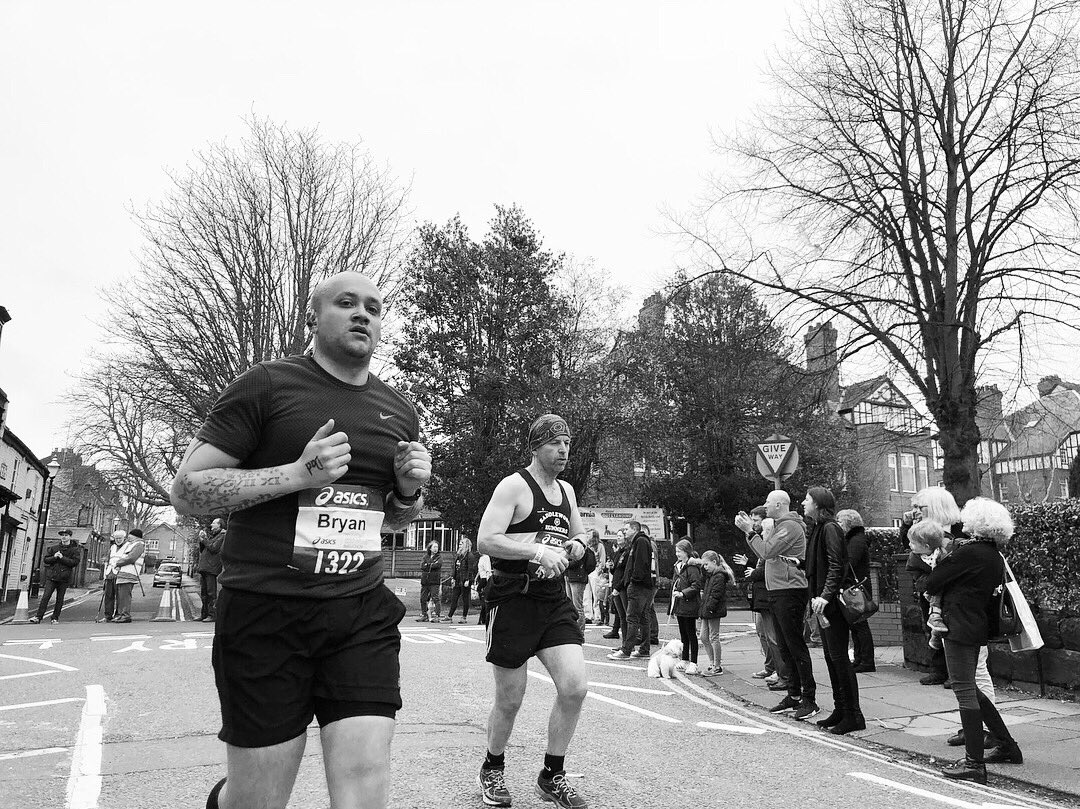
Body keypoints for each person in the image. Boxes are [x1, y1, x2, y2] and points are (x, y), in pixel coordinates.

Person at [170, 271, 431, 809]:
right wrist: (297, 474)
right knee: (258, 799)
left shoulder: (401, 412)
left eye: (375, 308)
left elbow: (394, 520)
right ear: (313, 317)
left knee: (364, 784)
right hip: (267, 612)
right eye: (346, 302)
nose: (363, 313)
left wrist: (407, 492)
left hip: (360, 612)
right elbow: (187, 490)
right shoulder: (267, 385)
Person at [476, 413, 589, 809]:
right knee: (510, 699)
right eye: (555, 443)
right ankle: (493, 767)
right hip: (512, 599)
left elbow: (578, 534)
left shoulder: (567, 492)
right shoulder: (513, 486)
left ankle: (551, 774)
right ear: (535, 447)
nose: (563, 450)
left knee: (575, 687)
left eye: (568, 444)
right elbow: (486, 540)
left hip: (552, 600)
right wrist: (535, 550)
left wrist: (578, 546)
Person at [928, 497, 1024, 783]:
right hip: (976, 626)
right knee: (972, 689)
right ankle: (1007, 746)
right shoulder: (993, 554)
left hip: (958, 626)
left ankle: (974, 763)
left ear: (976, 522)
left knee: (963, 689)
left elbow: (932, 583)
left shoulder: (968, 553)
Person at [738, 490, 816, 720]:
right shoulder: (780, 525)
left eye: (768, 502)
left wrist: (749, 532)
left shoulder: (790, 526)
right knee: (784, 647)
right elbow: (766, 554)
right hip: (778, 589)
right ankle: (793, 695)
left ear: (779, 505)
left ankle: (809, 699)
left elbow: (766, 550)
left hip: (790, 590)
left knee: (795, 646)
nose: (765, 505)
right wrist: (756, 534)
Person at [804, 488, 864, 733]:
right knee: (831, 658)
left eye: (807, 500)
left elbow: (836, 566)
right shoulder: (819, 527)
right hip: (823, 602)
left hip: (831, 605)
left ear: (818, 504)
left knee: (839, 659)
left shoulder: (830, 528)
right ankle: (841, 710)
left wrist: (825, 597)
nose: (803, 503)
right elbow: (820, 563)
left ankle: (854, 715)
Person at [608, 520, 656, 661]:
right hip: (642, 586)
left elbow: (641, 564)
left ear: (634, 529)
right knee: (643, 618)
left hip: (639, 586)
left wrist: (633, 581)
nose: (624, 532)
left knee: (632, 618)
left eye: (627, 529)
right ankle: (644, 649)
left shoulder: (640, 542)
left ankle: (626, 650)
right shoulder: (639, 542)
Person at [836, 509, 875, 673]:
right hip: (856, 587)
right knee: (856, 625)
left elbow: (849, 562)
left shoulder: (856, 540)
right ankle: (860, 659)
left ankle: (866, 660)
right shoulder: (856, 539)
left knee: (859, 625)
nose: (837, 525)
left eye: (839, 521)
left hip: (856, 589)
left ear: (847, 523)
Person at [29, 530, 80, 624]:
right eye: (62, 535)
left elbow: (74, 563)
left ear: (70, 536)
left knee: (59, 599)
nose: (64, 537)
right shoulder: (54, 548)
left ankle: (55, 618)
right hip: (51, 577)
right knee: (45, 597)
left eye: (66, 535)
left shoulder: (74, 550)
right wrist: (54, 557)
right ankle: (38, 617)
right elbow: (46, 560)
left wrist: (62, 558)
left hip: (64, 578)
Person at [670, 538, 703, 674]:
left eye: (680, 551)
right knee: (683, 634)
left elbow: (696, 585)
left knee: (691, 634)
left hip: (689, 604)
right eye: (676, 551)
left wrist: (683, 594)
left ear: (687, 552)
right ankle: (684, 659)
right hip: (680, 605)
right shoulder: (678, 566)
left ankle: (694, 662)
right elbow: (674, 585)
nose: (677, 554)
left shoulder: (692, 567)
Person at [697, 550, 730, 676]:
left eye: (706, 564)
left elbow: (715, 595)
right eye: (703, 565)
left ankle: (717, 666)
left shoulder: (719, 576)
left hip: (713, 611)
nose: (705, 567)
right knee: (703, 637)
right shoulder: (710, 575)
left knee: (714, 637)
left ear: (714, 562)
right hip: (707, 610)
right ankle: (712, 663)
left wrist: (709, 608)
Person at [105, 529, 145, 624]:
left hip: (129, 573)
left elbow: (131, 558)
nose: (129, 537)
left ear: (135, 536)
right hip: (123, 573)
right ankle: (120, 615)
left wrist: (118, 563)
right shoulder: (133, 545)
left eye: (130, 535)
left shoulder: (139, 544)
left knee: (124, 596)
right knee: (122, 596)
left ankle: (125, 615)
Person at [564, 531, 597, 634]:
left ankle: (580, 631)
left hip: (577, 577)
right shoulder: (573, 546)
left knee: (577, 606)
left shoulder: (581, 548)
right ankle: (572, 629)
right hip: (570, 576)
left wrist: (565, 562)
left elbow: (576, 562)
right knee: (570, 605)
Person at [197, 519, 227, 622]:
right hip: (205, 567)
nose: (211, 525)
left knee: (211, 593)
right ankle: (204, 614)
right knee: (204, 593)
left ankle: (212, 614)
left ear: (220, 525)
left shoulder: (222, 536)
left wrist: (204, 539)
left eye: (214, 523)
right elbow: (203, 550)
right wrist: (202, 540)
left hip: (212, 567)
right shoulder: (213, 536)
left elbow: (214, 548)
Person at [445, 537, 479, 624]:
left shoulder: (469, 555)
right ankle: (449, 616)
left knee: (465, 598)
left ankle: (464, 617)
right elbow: (456, 568)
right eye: (459, 543)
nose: (460, 545)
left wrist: (468, 579)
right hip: (458, 579)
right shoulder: (459, 555)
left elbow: (471, 569)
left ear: (466, 545)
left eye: (462, 543)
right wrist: (453, 577)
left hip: (465, 580)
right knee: (454, 598)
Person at [603, 530, 629, 641]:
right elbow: (616, 570)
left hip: (622, 586)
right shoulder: (619, 552)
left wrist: (618, 587)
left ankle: (628, 644)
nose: (618, 538)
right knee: (620, 615)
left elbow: (627, 571)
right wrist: (611, 567)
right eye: (617, 536)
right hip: (616, 584)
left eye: (620, 536)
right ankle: (624, 643)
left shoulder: (628, 552)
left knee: (626, 616)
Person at [417, 540, 442, 623]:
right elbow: (422, 566)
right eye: (434, 547)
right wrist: (430, 565)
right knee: (423, 598)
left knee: (435, 598)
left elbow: (437, 565)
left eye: (437, 547)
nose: (436, 549)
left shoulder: (439, 557)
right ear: (430, 548)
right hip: (425, 581)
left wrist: (428, 565)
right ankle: (424, 614)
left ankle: (437, 615)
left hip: (434, 581)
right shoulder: (425, 557)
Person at [476, 552, 492, 625]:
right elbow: (480, 570)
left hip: (485, 579)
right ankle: (483, 617)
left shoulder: (486, 557)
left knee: (484, 599)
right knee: (482, 598)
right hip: (481, 578)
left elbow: (488, 570)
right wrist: (476, 578)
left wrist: (488, 582)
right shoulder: (481, 558)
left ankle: (484, 618)